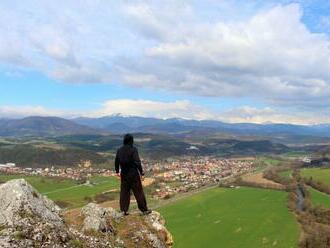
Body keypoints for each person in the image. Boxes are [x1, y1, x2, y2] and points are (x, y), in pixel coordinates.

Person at [115, 134, 152, 215]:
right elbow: (137, 162)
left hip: (124, 174)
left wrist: (117, 171)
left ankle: (123, 210)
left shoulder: (119, 150)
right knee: (138, 192)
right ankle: (144, 210)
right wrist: (141, 173)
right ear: (131, 141)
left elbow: (116, 161)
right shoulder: (133, 149)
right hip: (133, 174)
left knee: (124, 192)